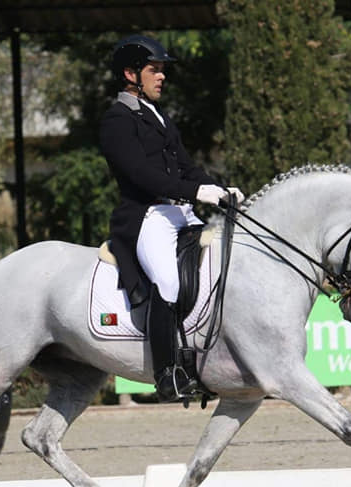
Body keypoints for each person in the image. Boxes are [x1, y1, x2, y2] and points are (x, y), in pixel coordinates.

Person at [99, 34, 244, 402]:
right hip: (146, 216)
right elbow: (140, 175)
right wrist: (196, 193)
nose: (162, 77)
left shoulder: (161, 117)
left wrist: (220, 190)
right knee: (169, 283)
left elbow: (187, 168)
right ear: (131, 74)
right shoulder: (117, 120)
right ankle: (167, 375)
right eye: (154, 70)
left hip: (180, 213)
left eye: (162, 71)